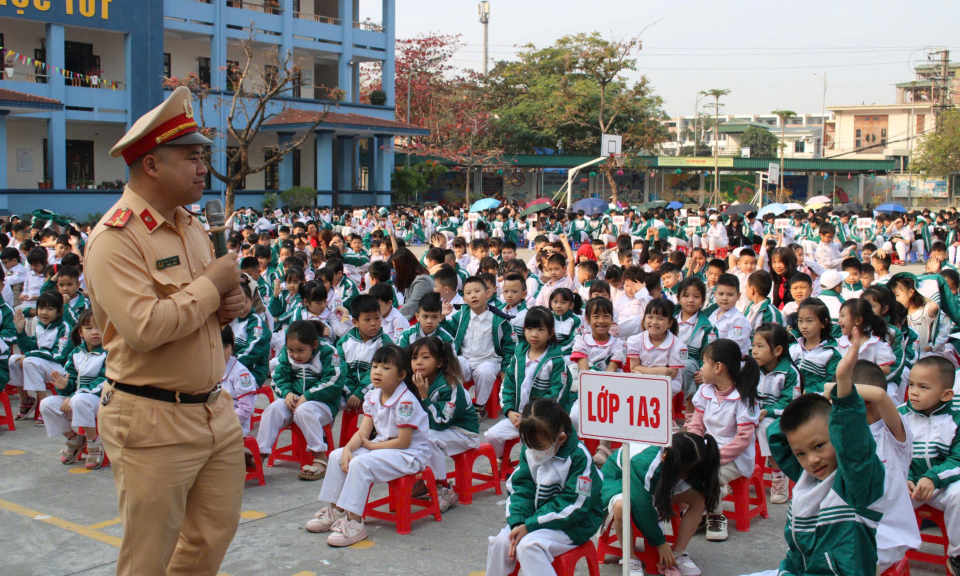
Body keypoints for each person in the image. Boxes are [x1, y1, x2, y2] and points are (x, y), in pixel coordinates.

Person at [85, 86, 246, 576]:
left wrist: (227, 305)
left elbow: (197, 308)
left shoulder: (190, 226)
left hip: (212, 408)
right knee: (147, 556)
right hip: (151, 415)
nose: (203, 167)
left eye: (203, 156)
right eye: (192, 157)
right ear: (151, 165)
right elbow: (143, 328)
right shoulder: (115, 239)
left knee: (212, 535)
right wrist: (211, 287)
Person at [755, 337, 887, 576]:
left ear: (838, 436)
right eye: (801, 454)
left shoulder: (856, 485)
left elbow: (855, 445)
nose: (812, 460)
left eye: (819, 446)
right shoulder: (808, 479)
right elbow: (777, 434)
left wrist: (842, 388)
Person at [307, 345, 433, 547]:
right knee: (336, 456)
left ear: (401, 375)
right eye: (375, 366)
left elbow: (404, 442)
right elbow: (363, 432)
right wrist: (348, 449)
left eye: (385, 368)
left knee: (360, 464)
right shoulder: (374, 395)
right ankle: (336, 509)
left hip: (408, 455)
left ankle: (355, 522)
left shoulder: (406, 401)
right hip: (383, 448)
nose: (377, 372)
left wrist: (371, 448)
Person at [485, 398, 603, 576]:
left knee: (529, 546)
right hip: (537, 519)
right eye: (528, 444)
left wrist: (530, 525)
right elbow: (520, 490)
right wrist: (519, 523)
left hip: (574, 524)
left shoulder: (580, 458)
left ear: (561, 439)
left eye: (539, 446)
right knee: (503, 542)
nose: (533, 450)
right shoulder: (530, 450)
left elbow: (575, 504)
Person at [601, 432, 719, 576]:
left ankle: (679, 552)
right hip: (619, 478)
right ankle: (630, 558)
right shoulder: (645, 464)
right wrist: (660, 543)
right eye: (684, 472)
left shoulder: (689, 452)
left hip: (655, 483)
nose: (686, 477)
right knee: (622, 507)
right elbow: (642, 505)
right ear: (665, 459)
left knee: (699, 498)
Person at [684, 338, 760, 542]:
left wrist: (713, 458)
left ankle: (716, 516)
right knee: (686, 467)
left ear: (718, 367)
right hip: (709, 450)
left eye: (704, 363)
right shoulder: (705, 391)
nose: (700, 368)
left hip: (736, 457)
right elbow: (696, 425)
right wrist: (693, 448)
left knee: (710, 475)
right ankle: (703, 507)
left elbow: (743, 440)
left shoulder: (744, 398)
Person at [483, 307, 573, 462]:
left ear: (550, 333)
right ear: (524, 330)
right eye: (529, 329)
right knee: (491, 436)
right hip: (517, 417)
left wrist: (531, 416)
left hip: (543, 421)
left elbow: (555, 394)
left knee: (535, 454)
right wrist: (510, 411)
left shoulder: (556, 361)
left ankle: (533, 469)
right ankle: (501, 460)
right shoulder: (519, 355)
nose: (534, 334)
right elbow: (508, 385)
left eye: (540, 329)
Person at [899, 355, 960, 574]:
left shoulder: (955, 419)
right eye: (912, 384)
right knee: (882, 496)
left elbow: (958, 460)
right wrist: (903, 478)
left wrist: (932, 478)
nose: (914, 391)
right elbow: (888, 455)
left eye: (924, 387)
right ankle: (887, 554)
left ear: (946, 395)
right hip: (909, 488)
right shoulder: (898, 415)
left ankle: (957, 556)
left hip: (944, 486)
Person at [411, 336, 477, 512]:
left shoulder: (451, 386)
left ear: (439, 362)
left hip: (463, 433)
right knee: (408, 437)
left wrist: (424, 396)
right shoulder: (415, 380)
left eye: (425, 357)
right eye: (415, 357)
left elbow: (440, 422)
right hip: (440, 430)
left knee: (429, 438)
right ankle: (422, 481)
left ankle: (444, 488)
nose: (419, 362)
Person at [37, 309, 107, 469]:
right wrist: (64, 386)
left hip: (101, 400)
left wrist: (75, 394)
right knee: (46, 404)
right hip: (78, 398)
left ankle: (93, 441)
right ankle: (74, 438)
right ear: (81, 332)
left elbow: (104, 380)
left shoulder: (109, 352)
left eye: (100, 327)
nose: (95, 332)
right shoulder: (75, 353)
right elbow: (72, 380)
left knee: (78, 400)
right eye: (89, 328)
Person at [752, 323, 802, 505]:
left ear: (778, 350)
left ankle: (778, 476)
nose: (754, 351)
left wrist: (768, 411)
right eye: (753, 345)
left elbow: (791, 403)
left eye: (760, 346)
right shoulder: (752, 369)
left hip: (783, 418)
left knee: (767, 429)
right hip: (757, 414)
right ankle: (738, 472)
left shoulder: (789, 372)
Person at [10, 291, 73, 425]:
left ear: (60, 311)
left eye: (50, 309)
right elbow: (31, 347)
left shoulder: (65, 327)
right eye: (41, 308)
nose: (44, 312)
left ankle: (44, 408)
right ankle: (25, 401)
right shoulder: (39, 326)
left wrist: (29, 355)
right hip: (42, 364)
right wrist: (21, 332)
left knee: (29, 361)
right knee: (12, 360)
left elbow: (59, 356)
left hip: (60, 369)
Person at [219, 326, 257, 437]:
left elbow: (246, 409)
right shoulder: (208, 368)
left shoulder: (240, 373)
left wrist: (222, 422)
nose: (221, 352)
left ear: (232, 347)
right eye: (216, 346)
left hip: (234, 424)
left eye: (225, 346)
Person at [390, 247, 434, 320]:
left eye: (396, 267)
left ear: (403, 267)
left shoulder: (422, 281)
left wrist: (392, 318)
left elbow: (412, 306)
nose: (395, 271)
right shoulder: (412, 277)